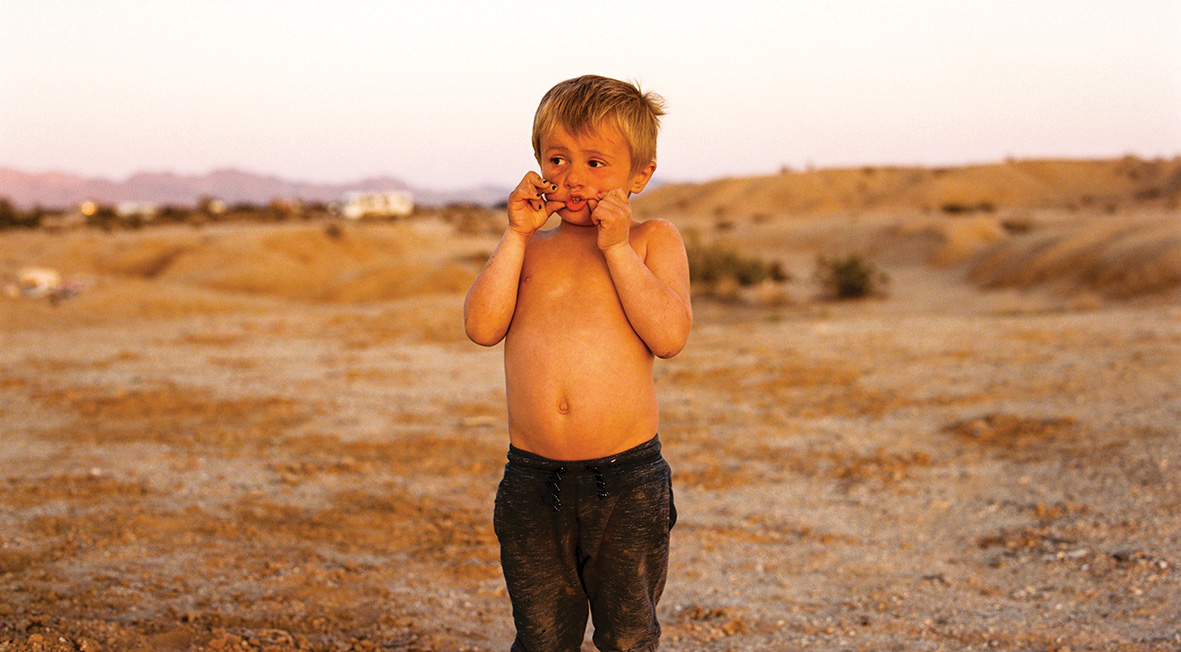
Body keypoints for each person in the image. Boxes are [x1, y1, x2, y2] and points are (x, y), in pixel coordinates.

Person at [463, 75, 692, 652]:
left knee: (628, 634)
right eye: (558, 159)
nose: (573, 179)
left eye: (596, 163)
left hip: (627, 481)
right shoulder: (531, 252)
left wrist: (616, 247)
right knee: (541, 636)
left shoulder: (649, 241)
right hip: (532, 481)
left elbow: (668, 336)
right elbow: (481, 326)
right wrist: (515, 235)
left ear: (640, 175)